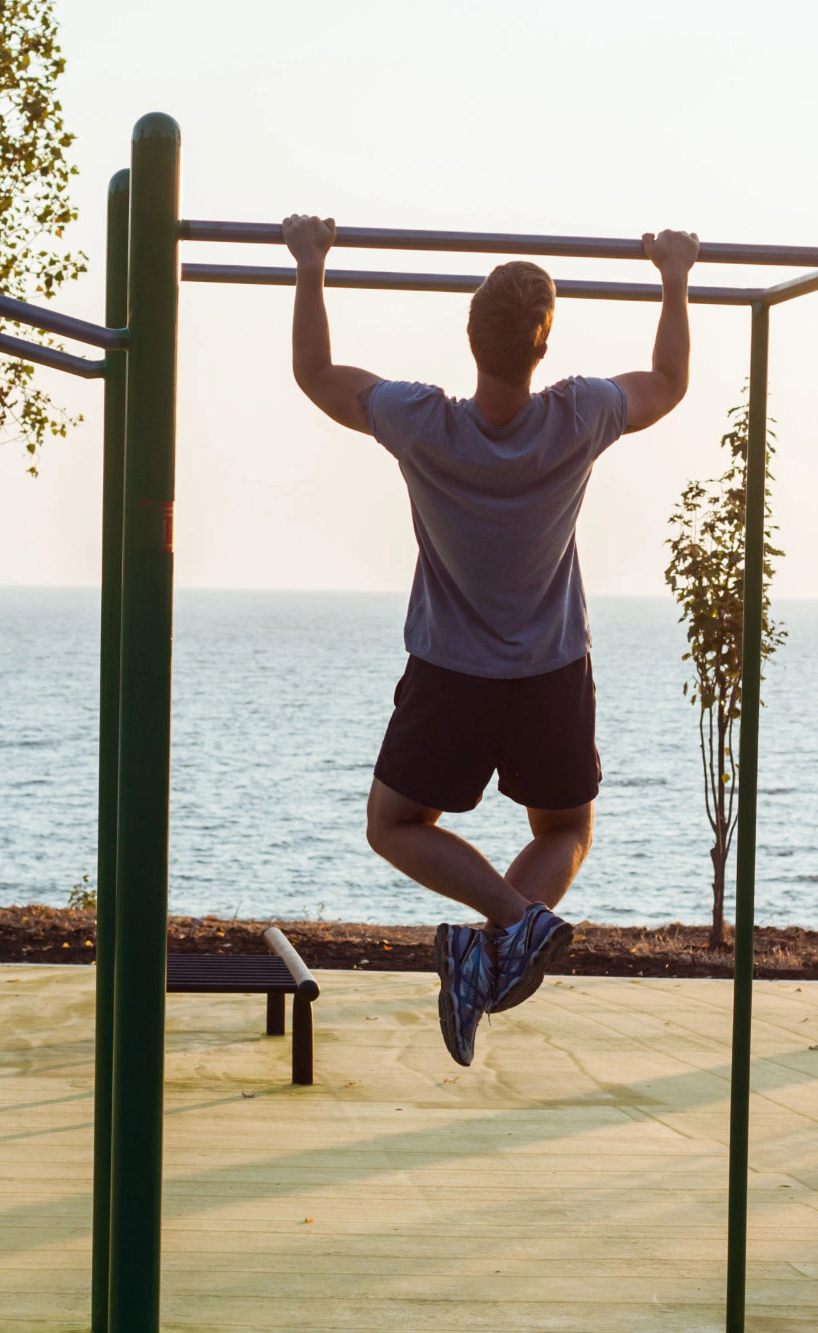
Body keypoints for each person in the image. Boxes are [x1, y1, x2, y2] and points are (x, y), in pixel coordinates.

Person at [282, 214, 699, 1065]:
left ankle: (505, 931)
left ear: (469, 337)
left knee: (394, 824)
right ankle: (514, 931)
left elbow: (316, 373)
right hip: (551, 669)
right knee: (566, 832)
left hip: (452, 671)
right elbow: (667, 378)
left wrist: (311, 264)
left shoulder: (421, 421)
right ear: (543, 349)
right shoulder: (580, 414)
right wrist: (675, 277)